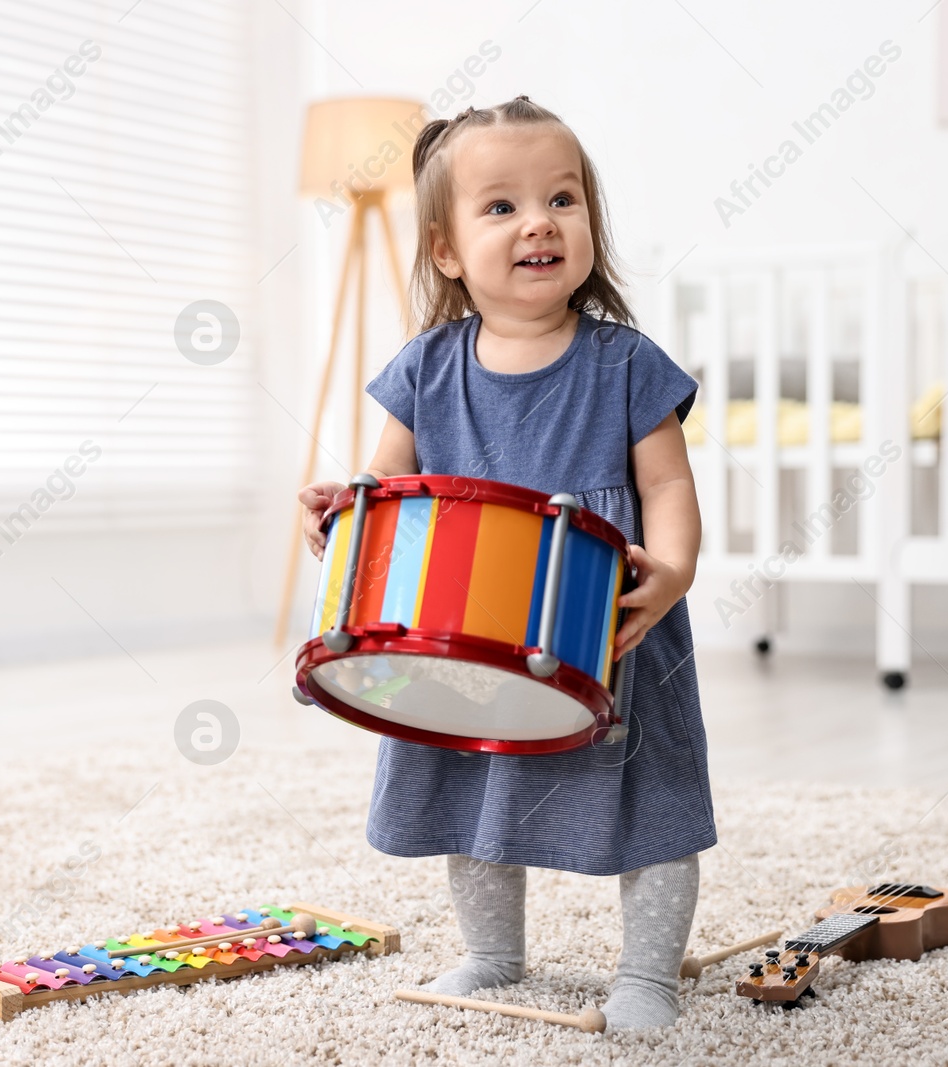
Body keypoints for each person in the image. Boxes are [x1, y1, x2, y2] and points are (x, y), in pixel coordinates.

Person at [296, 96, 713, 1031]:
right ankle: (491, 952)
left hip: (607, 615)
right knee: (465, 778)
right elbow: (385, 484)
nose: (540, 221)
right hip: (465, 623)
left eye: (564, 198)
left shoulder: (627, 364)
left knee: (651, 793)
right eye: (502, 207)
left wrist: (675, 567)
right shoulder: (425, 367)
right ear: (446, 249)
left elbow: (671, 484)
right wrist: (345, 512)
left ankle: (648, 974)